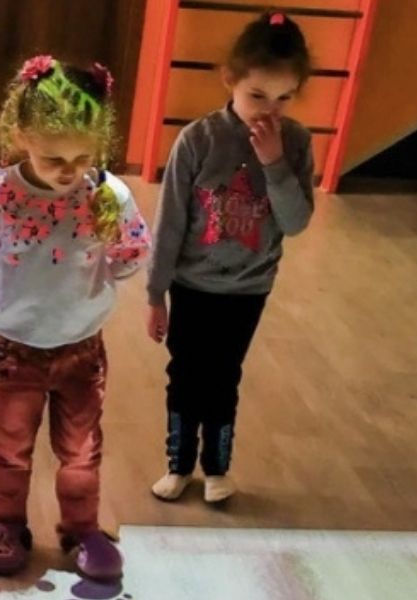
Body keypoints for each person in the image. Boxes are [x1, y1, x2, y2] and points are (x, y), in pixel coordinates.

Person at [0, 55, 151, 579]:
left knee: (81, 451)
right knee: (11, 448)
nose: (69, 171)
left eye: (83, 157)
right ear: (21, 136)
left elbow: (132, 254)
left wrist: (107, 257)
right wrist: (8, 291)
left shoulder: (107, 194)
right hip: (13, 348)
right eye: (53, 158)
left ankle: (82, 530)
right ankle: (7, 525)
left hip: (81, 348)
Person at [147, 10, 314, 504]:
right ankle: (179, 465)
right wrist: (155, 294)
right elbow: (170, 222)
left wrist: (274, 163)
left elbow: (296, 221)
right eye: (257, 95)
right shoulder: (198, 139)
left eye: (284, 98)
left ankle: (216, 468)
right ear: (230, 80)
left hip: (247, 289)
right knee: (185, 374)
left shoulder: (295, 143)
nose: (269, 111)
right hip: (192, 285)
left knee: (223, 377)